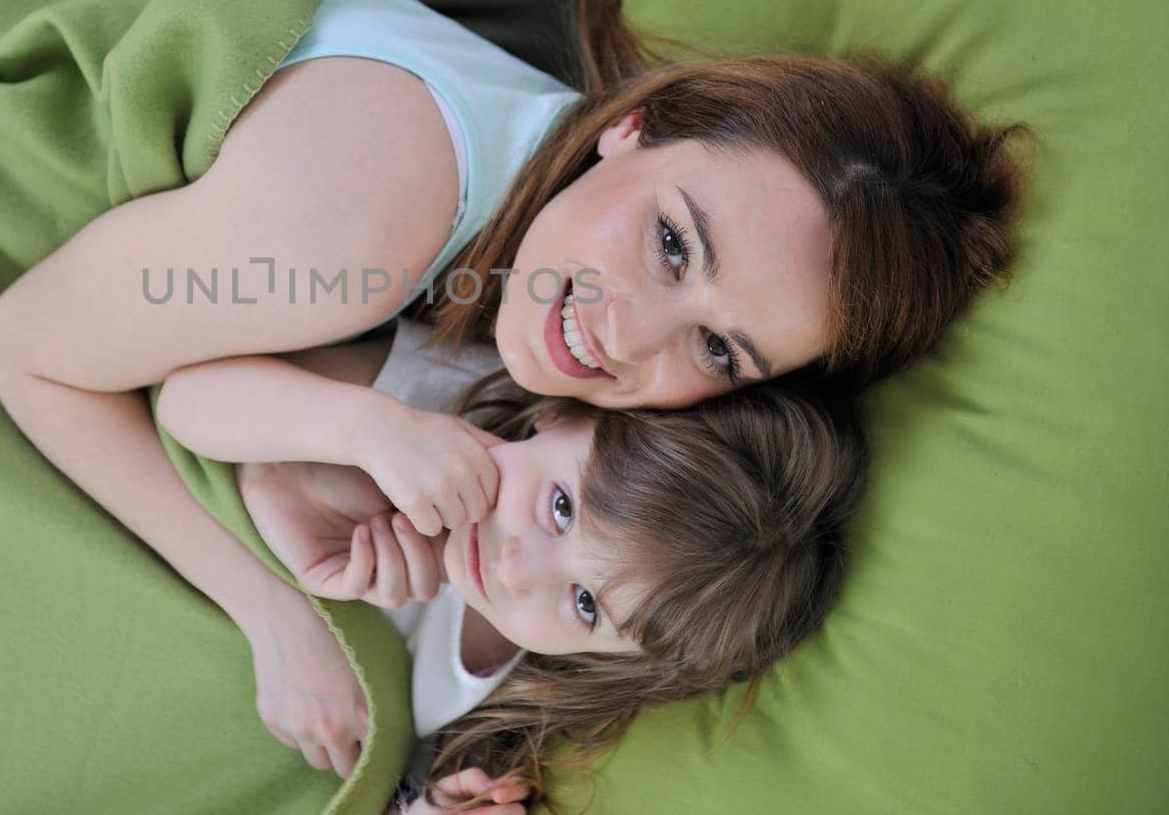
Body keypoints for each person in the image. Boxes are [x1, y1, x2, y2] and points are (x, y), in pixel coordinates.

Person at [0, 0, 1025, 798]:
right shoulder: (361, 230)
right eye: (670, 243)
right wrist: (272, 611)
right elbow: (23, 349)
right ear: (636, 126)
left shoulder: (519, 343)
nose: (625, 335)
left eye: (715, 347)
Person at [161, 310, 867, 812]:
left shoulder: (508, 700)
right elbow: (181, 394)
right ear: (564, 417)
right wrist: (362, 429)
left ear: (614, 656)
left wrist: (426, 803)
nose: (516, 567)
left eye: (586, 604)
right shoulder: (435, 401)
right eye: (561, 505)